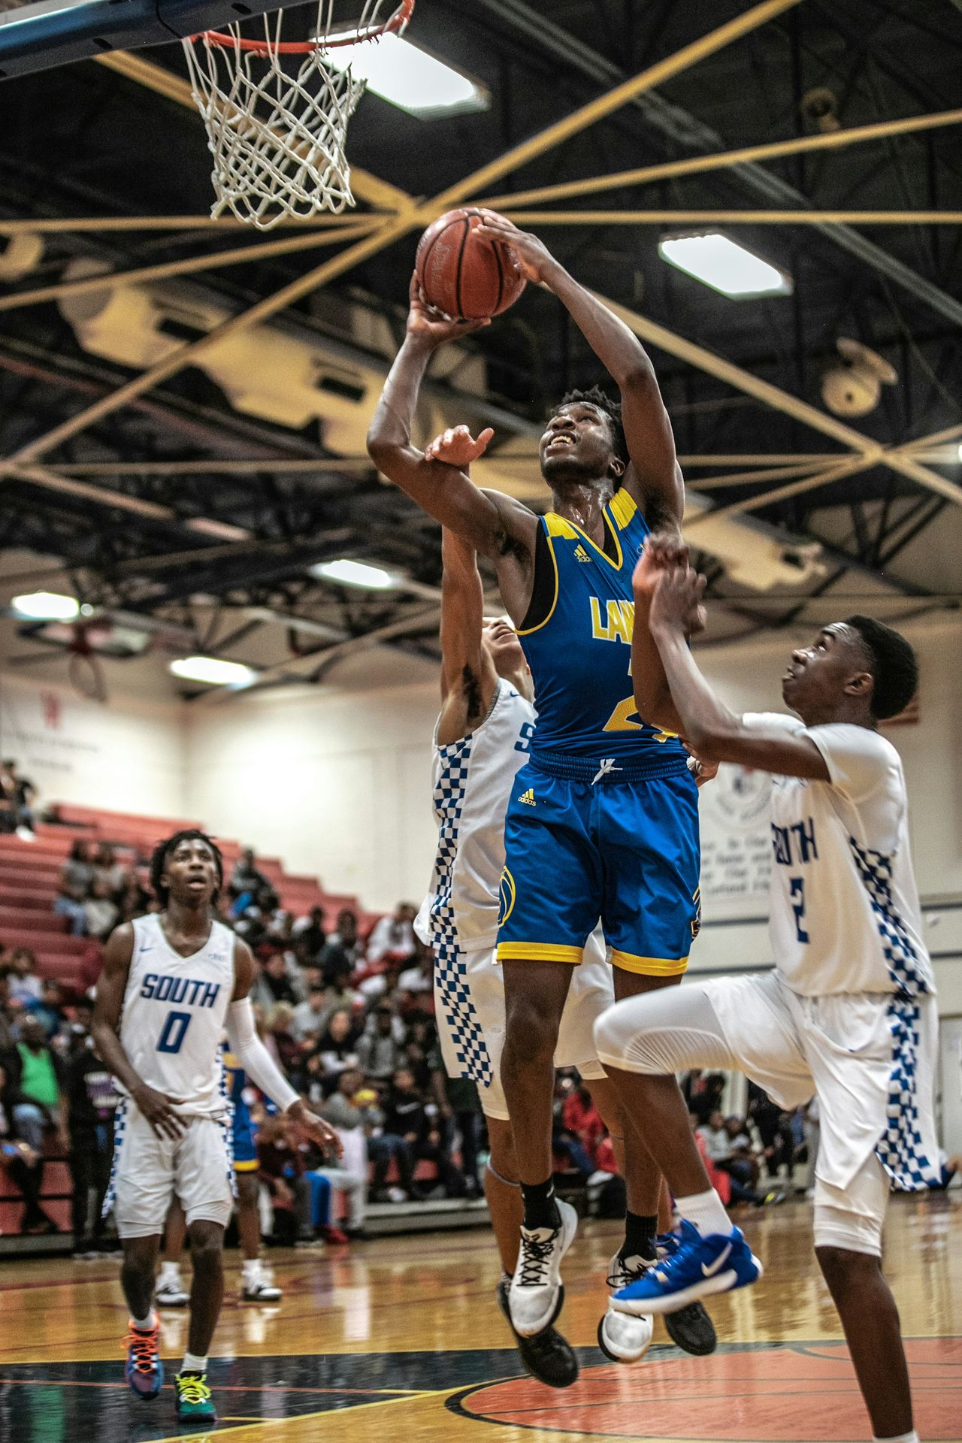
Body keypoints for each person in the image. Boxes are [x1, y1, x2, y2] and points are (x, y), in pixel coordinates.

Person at [368, 220, 710, 1365]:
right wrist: (418, 341)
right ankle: (533, 1237)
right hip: (557, 793)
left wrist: (548, 270)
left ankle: (649, 1247)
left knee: (638, 1046)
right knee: (524, 1041)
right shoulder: (518, 537)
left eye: (582, 421)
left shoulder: (654, 527)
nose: (562, 419)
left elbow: (637, 373)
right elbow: (387, 453)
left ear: (615, 458)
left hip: (653, 791)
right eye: (552, 419)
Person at [595, 567, 939, 1443]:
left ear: (858, 683)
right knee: (622, 1035)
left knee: (843, 1251)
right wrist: (646, 615)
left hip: (873, 1021)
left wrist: (673, 626)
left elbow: (704, 722)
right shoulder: (788, 734)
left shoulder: (868, 753)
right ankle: (709, 1233)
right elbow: (664, 709)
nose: (798, 648)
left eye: (822, 645)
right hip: (791, 997)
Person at [92, 829, 341, 1424]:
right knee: (138, 1261)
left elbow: (248, 1044)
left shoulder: (234, 951)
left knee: (208, 1247)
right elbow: (101, 1029)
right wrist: (141, 1090)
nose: (197, 863)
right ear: (163, 876)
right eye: (183, 856)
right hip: (142, 1114)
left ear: (217, 878)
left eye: (206, 857)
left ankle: (196, 1374)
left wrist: (294, 1105)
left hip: (206, 1116)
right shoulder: (131, 939)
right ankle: (145, 1328)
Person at [157, 1045, 282, 1308]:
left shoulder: (239, 1030)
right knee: (183, 1195)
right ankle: (168, 1277)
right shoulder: (198, 1018)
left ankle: (253, 1275)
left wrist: (271, 1109)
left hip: (235, 1118)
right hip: (199, 1115)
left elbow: (261, 1069)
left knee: (249, 1190)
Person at [66, 1035, 119, 1256]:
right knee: (85, 1184)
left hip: (109, 1129)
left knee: (106, 1182)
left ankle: (99, 1235)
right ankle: (81, 1238)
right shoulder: (80, 1062)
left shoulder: (117, 1060)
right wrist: (62, 1131)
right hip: (84, 1129)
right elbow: (64, 1096)